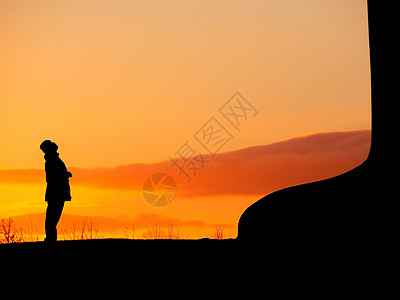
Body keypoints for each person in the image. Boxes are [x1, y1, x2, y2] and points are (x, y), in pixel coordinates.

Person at [40, 140, 72, 243]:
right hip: (58, 193)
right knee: (51, 219)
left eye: (44, 150)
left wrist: (65, 175)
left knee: (51, 219)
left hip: (56, 193)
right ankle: (50, 239)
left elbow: (52, 178)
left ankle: (50, 240)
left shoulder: (53, 161)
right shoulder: (55, 160)